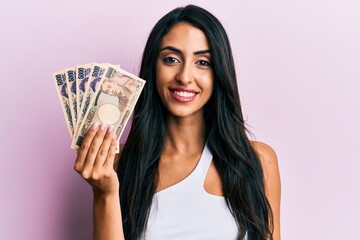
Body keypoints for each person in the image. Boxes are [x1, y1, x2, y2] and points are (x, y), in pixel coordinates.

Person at [74, 5, 281, 240]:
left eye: (203, 62)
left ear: (219, 72)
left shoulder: (259, 161)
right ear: (153, 68)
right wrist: (105, 193)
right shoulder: (119, 167)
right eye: (171, 59)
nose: (184, 76)